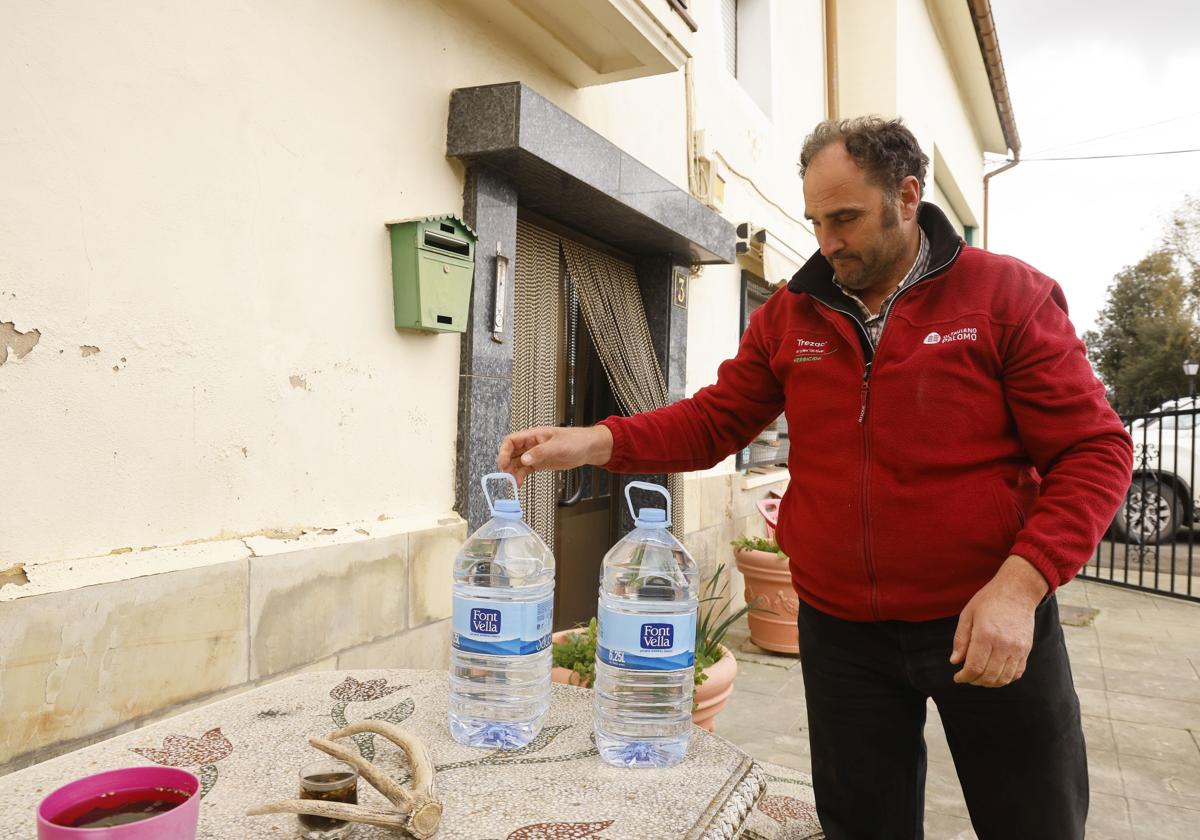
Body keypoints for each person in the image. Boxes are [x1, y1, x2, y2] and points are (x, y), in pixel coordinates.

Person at [498, 117, 1133, 840]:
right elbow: (713, 422)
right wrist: (593, 440)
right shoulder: (791, 315)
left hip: (983, 618)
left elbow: (1094, 452)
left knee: (1033, 823)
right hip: (841, 633)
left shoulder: (1005, 297)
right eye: (815, 221)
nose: (827, 242)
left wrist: (1022, 587)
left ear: (906, 196)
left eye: (845, 218)